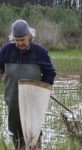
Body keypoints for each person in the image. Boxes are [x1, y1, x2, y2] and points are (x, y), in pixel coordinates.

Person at [0, 19, 56, 149]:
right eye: (16, 40)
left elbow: (50, 73)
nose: (19, 43)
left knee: (33, 129)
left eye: (22, 40)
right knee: (15, 129)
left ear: (30, 36)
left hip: (34, 99)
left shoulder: (40, 52)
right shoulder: (6, 50)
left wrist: (42, 90)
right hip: (12, 99)